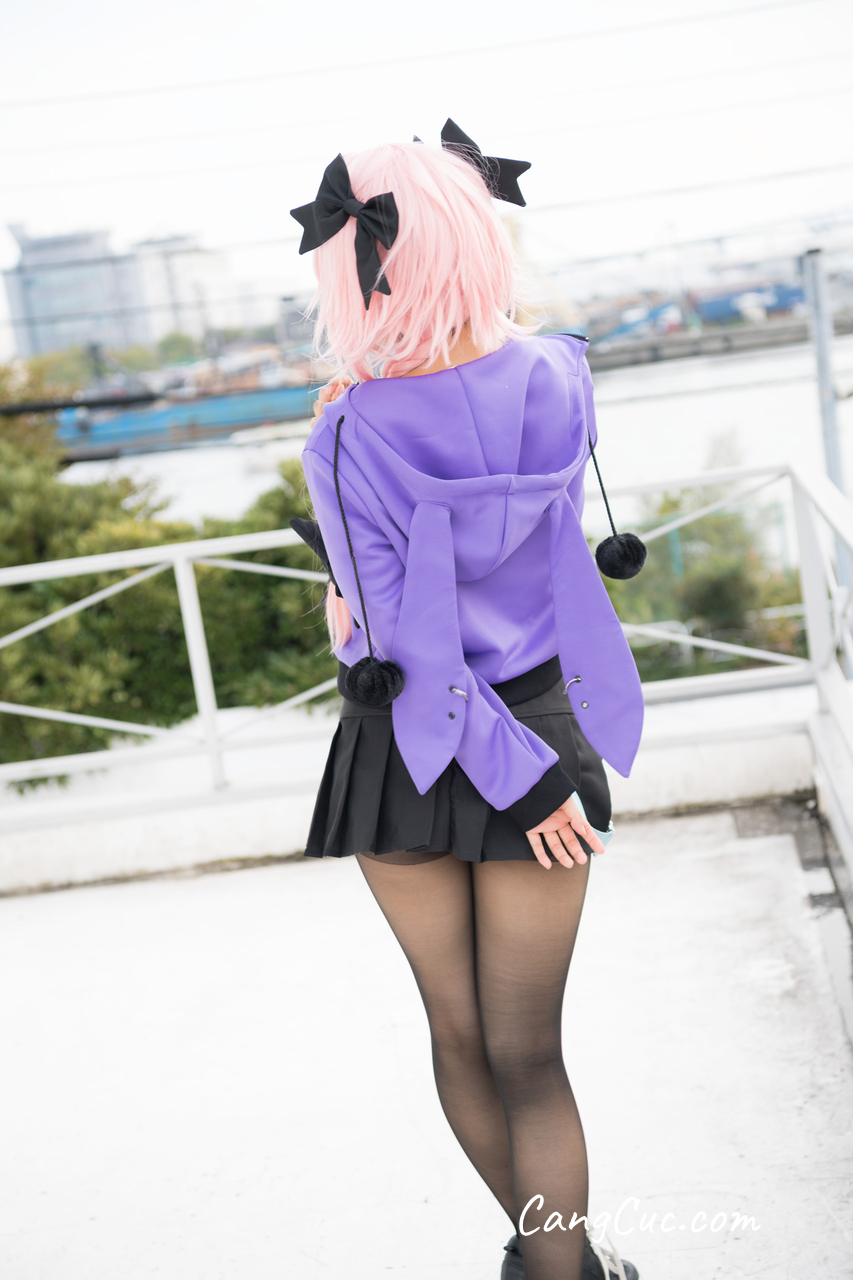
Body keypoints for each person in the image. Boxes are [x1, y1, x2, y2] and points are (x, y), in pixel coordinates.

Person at [290, 123, 644, 1280]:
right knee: (531, 1053)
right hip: (541, 724)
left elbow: (391, 637)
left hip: (404, 755)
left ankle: (555, 1263)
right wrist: (536, 773)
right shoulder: (560, 374)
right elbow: (536, 557)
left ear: (354, 266)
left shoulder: (347, 431)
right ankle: (564, 1267)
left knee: (460, 1035)